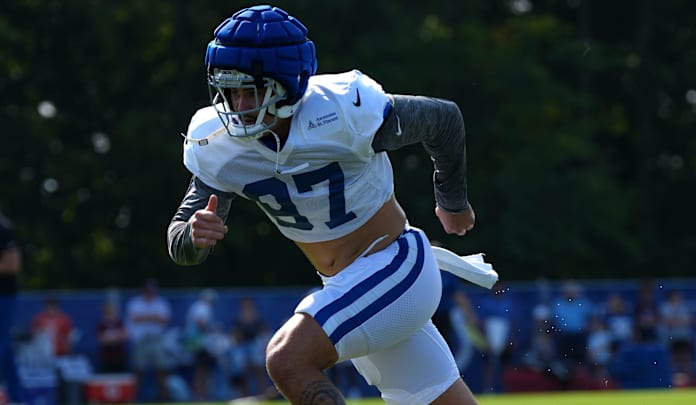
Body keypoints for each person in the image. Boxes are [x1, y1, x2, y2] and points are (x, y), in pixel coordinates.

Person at [166, 5, 497, 404]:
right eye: (228, 90)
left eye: (248, 91)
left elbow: (443, 120)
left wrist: (452, 201)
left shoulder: (343, 111)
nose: (236, 105)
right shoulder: (217, 143)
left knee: (288, 359)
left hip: (394, 264)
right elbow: (182, 237)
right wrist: (193, 236)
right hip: (350, 286)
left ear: (284, 84)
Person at [126, 279, 172, 401]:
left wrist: (146, 317)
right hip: (141, 340)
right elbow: (134, 318)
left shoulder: (160, 303)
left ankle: (164, 397)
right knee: (138, 370)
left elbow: (164, 320)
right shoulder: (136, 303)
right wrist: (153, 317)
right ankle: (133, 398)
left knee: (162, 369)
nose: (150, 292)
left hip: (156, 339)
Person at [0, 212, 24, 403]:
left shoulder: (3, 227)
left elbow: (13, 264)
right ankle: (17, 398)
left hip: (4, 295)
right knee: (5, 348)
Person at [184, 288, 219, 400]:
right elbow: (201, 323)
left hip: (195, 341)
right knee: (202, 368)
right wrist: (212, 329)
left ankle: (200, 393)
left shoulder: (197, 306)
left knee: (201, 368)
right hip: (198, 342)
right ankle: (200, 393)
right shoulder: (203, 307)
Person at [95, 301, 129, 373]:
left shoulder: (120, 323)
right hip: (106, 356)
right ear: (104, 314)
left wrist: (109, 338)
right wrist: (116, 337)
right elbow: (101, 339)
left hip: (119, 356)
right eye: (107, 313)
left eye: (112, 312)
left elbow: (125, 336)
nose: (110, 315)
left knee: (120, 377)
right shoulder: (101, 325)